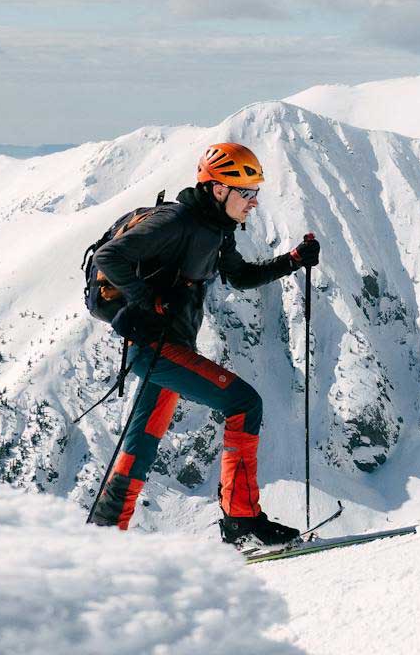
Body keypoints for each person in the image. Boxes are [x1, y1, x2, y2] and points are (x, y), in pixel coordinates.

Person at [88, 142, 321, 546]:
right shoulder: (176, 222)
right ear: (218, 189)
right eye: (246, 192)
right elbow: (111, 257)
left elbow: (241, 277)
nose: (253, 202)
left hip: (168, 349)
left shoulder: (216, 230)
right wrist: (148, 302)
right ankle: (241, 519)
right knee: (244, 404)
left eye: (256, 193)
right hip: (156, 350)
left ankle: (103, 539)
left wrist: (294, 260)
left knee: (139, 445)